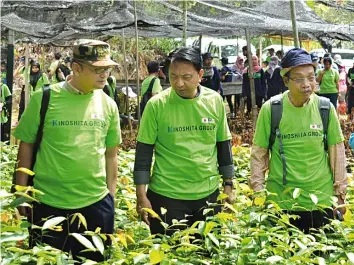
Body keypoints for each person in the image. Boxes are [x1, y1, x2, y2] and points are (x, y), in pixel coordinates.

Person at [14, 39, 121, 261]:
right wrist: (21, 192)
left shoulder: (108, 104)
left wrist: (111, 198)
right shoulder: (44, 98)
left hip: (95, 205)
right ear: (76, 68)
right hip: (48, 203)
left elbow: (111, 154)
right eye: (97, 69)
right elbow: (26, 146)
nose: (104, 75)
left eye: (107, 69)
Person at [134, 47, 234, 236]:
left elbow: (224, 145)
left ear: (200, 74)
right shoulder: (157, 105)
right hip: (166, 196)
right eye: (173, 76)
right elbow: (143, 153)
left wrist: (228, 185)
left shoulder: (214, 101)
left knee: (207, 255)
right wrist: (141, 196)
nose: (179, 83)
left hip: (209, 195)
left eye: (186, 77)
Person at [250, 48, 347, 233]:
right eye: (299, 79)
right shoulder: (271, 109)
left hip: (321, 201)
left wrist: (340, 196)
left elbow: (337, 153)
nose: (306, 84)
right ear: (286, 80)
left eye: (311, 77)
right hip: (281, 201)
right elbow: (259, 153)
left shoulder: (325, 108)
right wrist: (258, 193)